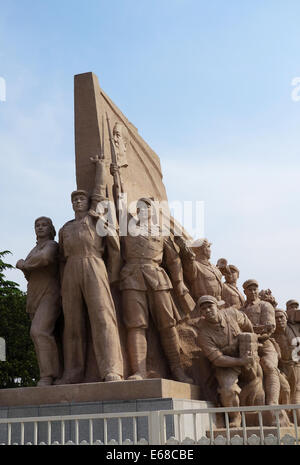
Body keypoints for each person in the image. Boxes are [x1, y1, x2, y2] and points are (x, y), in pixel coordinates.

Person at [57, 156, 123, 384]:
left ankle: (111, 369)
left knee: (103, 318)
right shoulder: (65, 228)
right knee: (72, 323)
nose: (77, 202)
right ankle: (73, 372)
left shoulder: (95, 220)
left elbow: (99, 193)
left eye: (81, 199)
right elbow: (60, 259)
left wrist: (100, 167)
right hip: (71, 270)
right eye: (74, 200)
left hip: (94, 264)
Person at [119, 197, 193, 383]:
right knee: (136, 325)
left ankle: (177, 370)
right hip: (132, 277)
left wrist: (179, 282)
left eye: (147, 208)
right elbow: (119, 201)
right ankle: (139, 371)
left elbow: (173, 260)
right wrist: (115, 174)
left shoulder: (162, 232)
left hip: (158, 278)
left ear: (152, 211)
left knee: (168, 325)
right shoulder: (128, 228)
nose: (143, 210)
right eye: (139, 208)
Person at [197, 295, 256, 427]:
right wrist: (241, 361)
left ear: (217, 306)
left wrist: (252, 340)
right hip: (227, 364)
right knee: (227, 390)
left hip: (245, 352)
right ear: (201, 313)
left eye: (210, 306)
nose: (207, 310)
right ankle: (235, 417)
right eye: (203, 309)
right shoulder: (203, 334)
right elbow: (217, 359)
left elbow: (246, 323)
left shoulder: (232, 313)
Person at [16, 217, 61, 386]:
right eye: (37, 225)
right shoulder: (34, 249)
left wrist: (23, 264)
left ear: (51, 229)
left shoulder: (51, 245)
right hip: (34, 296)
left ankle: (48, 375)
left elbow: (45, 259)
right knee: (41, 335)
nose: (40, 228)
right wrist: (26, 267)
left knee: (38, 331)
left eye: (44, 225)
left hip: (50, 294)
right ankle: (51, 373)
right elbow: (30, 274)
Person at [241, 280, 281, 408]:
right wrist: (256, 329)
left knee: (270, 367)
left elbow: (269, 329)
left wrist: (255, 332)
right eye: (249, 290)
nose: (253, 292)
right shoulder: (241, 310)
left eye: (255, 289)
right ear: (245, 292)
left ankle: (273, 404)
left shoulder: (265, 306)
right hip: (246, 344)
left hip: (265, 344)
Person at [273, 309, 300, 416]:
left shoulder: (295, 328)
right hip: (283, 367)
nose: (279, 320)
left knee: (297, 393)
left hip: (297, 366)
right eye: (276, 318)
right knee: (285, 390)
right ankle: (286, 415)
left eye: (281, 317)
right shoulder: (272, 335)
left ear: (286, 318)